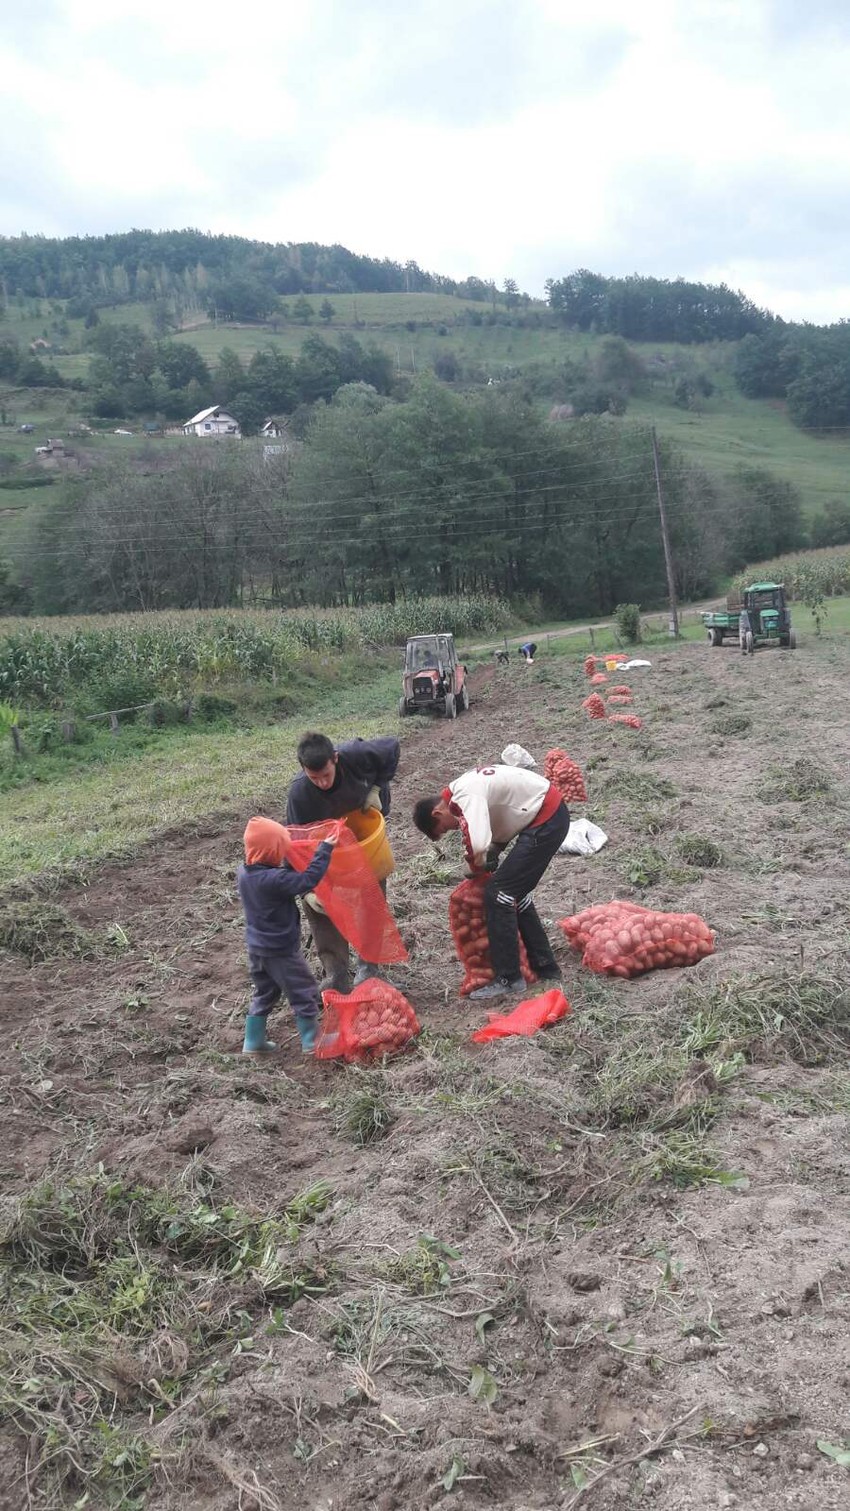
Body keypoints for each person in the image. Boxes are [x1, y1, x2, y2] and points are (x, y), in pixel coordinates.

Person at [413, 765, 569, 1000]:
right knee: (514, 893)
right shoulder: (463, 790)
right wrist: (493, 852)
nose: (452, 828)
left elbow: (478, 841)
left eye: (444, 829)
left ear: (437, 813)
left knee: (499, 895)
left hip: (545, 818)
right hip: (544, 815)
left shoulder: (464, 794)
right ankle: (545, 967)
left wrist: (475, 864)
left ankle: (509, 979)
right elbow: (501, 820)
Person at [286, 731, 401, 993]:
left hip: (365, 839)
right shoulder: (300, 794)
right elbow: (294, 845)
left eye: (326, 775)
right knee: (321, 908)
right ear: (303, 770)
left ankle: (370, 969)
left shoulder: (356, 755)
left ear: (335, 759)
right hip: (327, 851)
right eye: (314, 778)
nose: (322, 782)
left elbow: (391, 747)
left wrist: (376, 788)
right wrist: (308, 890)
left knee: (371, 901)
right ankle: (336, 976)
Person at [237, 816, 339, 1055]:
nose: (284, 853)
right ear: (270, 851)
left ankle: (253, 1041)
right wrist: (324, 850)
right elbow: (307, 879)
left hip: (257, 948)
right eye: (281, 849)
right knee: (303, 990)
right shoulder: (274, 879)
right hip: (280, 950)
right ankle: (312, 1040)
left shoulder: (244, 873)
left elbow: (280, 875)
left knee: (265, 992)